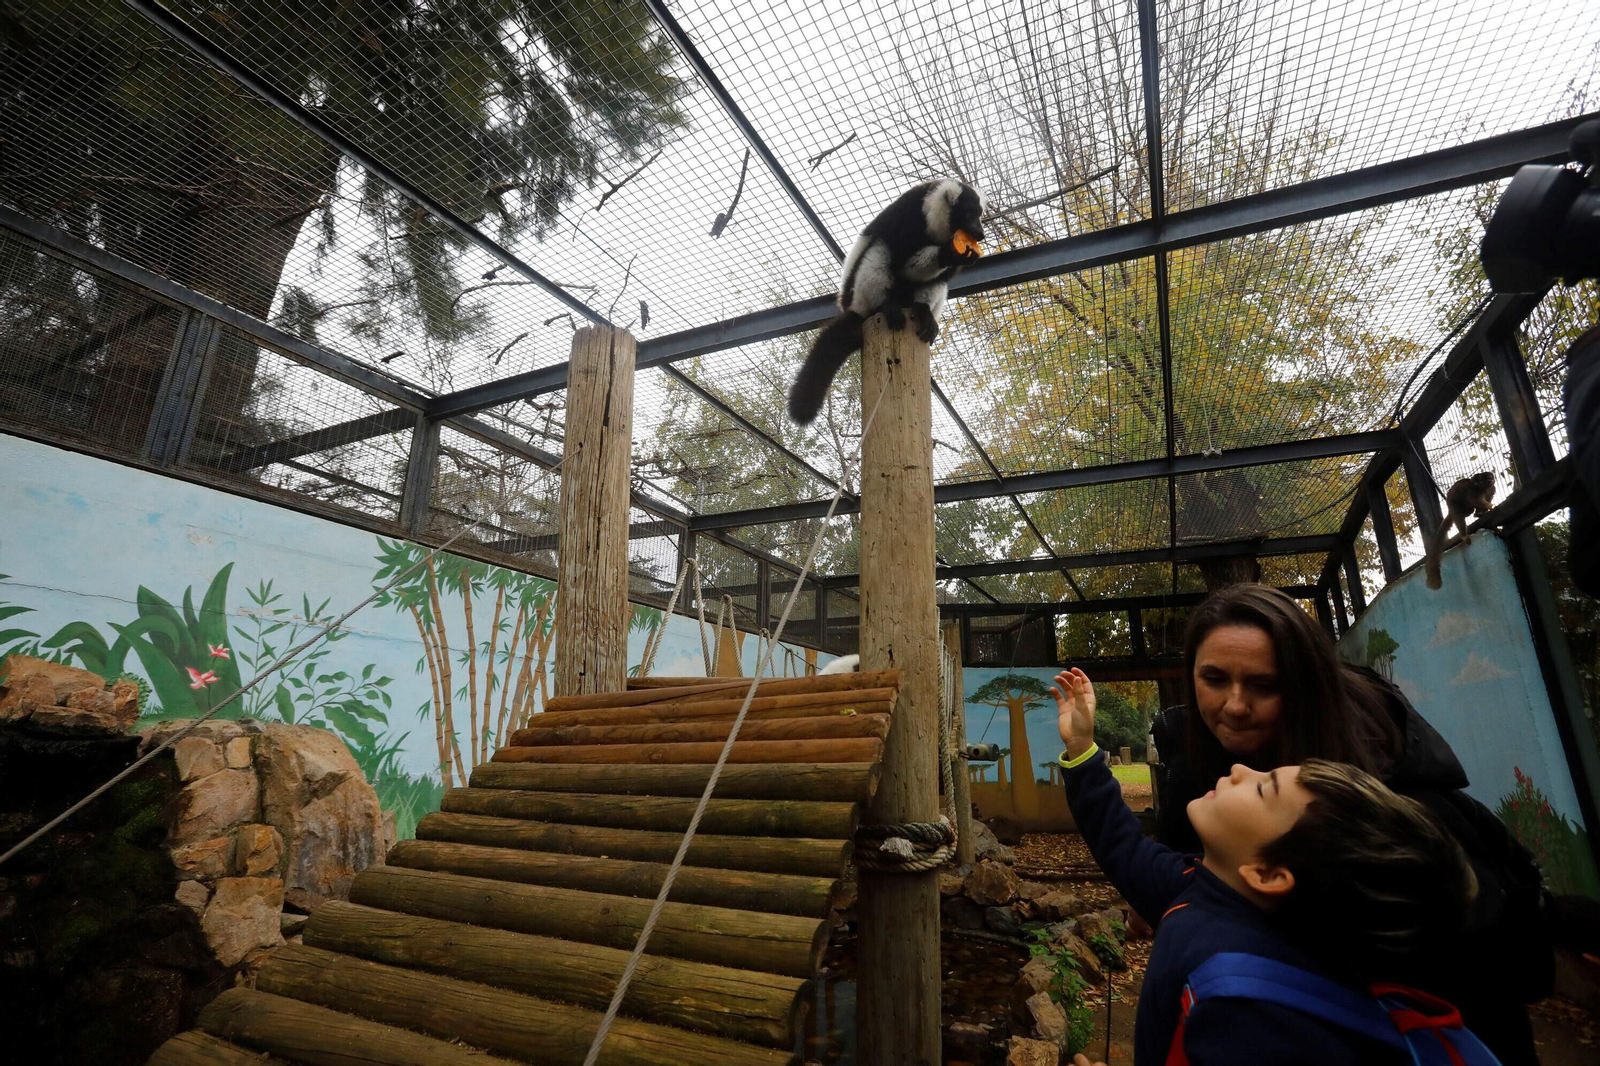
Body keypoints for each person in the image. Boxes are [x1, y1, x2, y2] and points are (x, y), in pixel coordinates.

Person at [1150, 583, 1551, 1065]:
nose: (1234, 705)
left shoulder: (1390, 806)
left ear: (1302, 685)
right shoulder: (1230, 765)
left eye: (1263, 685)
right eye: (1213, 678)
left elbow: (1476, 971)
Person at [1052, 667, 1489, 1066]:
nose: (1241, 770)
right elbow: (1123, 845)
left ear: (1268, 874)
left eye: (1265, 790)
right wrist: (1083, 748)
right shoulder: (1200, 886)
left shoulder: (1253, 1019)